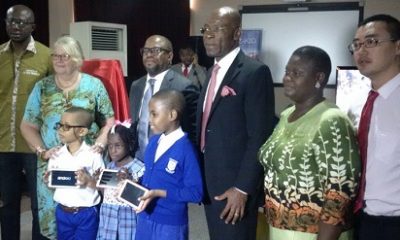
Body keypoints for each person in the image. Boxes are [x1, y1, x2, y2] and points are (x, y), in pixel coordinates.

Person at [258, 46, 361, 240]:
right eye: (287, 71)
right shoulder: (287, 114)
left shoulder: (331, 119)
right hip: (280, 227)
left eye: (296, 73)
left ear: (319, 78)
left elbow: (340, 191)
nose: (287, 77)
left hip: (314, 233)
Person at [20, 35, 114, 239]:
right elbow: (27, 125)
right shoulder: (42, 87)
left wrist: (100, 142)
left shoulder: (94, 86)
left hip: (87, 163)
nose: (59, 60)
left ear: (77, 59)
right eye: (55, 55)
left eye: (65, 56)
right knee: (53, 221)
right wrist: (42, 151)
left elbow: (109, 121)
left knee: (87, 219)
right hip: (52, 165)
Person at [196, 6, 275, 240]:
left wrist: (242, 188)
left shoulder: (254, 72)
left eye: (218, 29)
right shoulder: (211, 72)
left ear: (237, 34)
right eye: (206, 29)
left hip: (235, 187)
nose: (208, 35)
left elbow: (260, 135)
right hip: (210, 182)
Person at [0, 4, 52, 240]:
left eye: (22, 22)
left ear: (33, 26)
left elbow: (54, 100)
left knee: (37, 203)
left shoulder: (47, 56)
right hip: (3, 143)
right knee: (7, 202)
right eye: (11, 21)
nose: (16, 26)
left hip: (35, 145)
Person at [348, 14, 400, 240]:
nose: (361, 51)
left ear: (397, 47)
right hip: (361, 218)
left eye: (371, 42)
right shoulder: (361, 102)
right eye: (357, 45)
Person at [135, 89, 203, 240]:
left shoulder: (186, 150)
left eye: (154, 114)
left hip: (170, 225)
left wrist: (159, 193)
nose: (149, 119)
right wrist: (133, 183)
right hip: (145, 218)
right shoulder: (153, 142)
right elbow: (149, 176)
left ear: (172, 115)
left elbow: (196, 193)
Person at [129, 35, 199, 162]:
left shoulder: (183, 86)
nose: (149, 54)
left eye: (155, 50)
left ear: (170, 56)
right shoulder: (136, 86)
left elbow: (192, 133)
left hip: (168, 163)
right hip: (137, 161)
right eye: (145, 51)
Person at [46, 107, 104, 240]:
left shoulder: (93, 155)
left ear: (82, 131)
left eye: (66, 127)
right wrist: (48, 181)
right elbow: (53, 185)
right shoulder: (56, 155)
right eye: (59, 125)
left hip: (86, 213)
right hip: (62, 211)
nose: (60, 130)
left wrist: (88, 181)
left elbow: (102, 185)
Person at [96, 121, 145, 240]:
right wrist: (98, 181)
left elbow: (140, 199)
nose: (113, 150)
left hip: (127, 217)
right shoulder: (109, 166)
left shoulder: (139, 168)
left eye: (118, 145)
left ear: (129, 145)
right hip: (108, 215)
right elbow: (105, 194)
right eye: (110, 146)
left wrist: (129, 181)